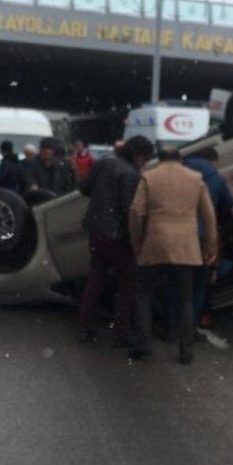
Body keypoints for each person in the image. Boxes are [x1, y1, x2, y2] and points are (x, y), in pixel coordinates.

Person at [128, 147, 218, 364]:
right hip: (186, 244)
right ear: (180, 160)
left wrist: (137, 243)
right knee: (185, 299)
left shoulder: (149, 177)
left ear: (160, 159)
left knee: (143, 292)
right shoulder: (196, 178)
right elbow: (209, 216)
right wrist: (210, 247)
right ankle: (186, 350)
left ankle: (144, 345)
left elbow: (135, 212)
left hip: (156, 242)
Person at [78, 136, 154, 346]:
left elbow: (83, 187)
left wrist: (102, 195)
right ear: (138, 155)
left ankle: (85, 329)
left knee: (95, 280)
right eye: (145, 159)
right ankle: (121, 332)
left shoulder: (105, 161)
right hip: (115, 236)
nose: (145, 164)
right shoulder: (131, 174)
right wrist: (135, 241)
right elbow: (128, 210)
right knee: (128, 282)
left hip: (95, 230)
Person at [184, 146, 233, 329]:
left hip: (180, 234)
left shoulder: (183, 169)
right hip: (201, 236)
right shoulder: (216, 177)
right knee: (200, 282)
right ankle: (193, 323)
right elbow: (229, 203)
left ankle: (173, 323)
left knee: (178, 280)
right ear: (213, 161)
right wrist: (225, 185)